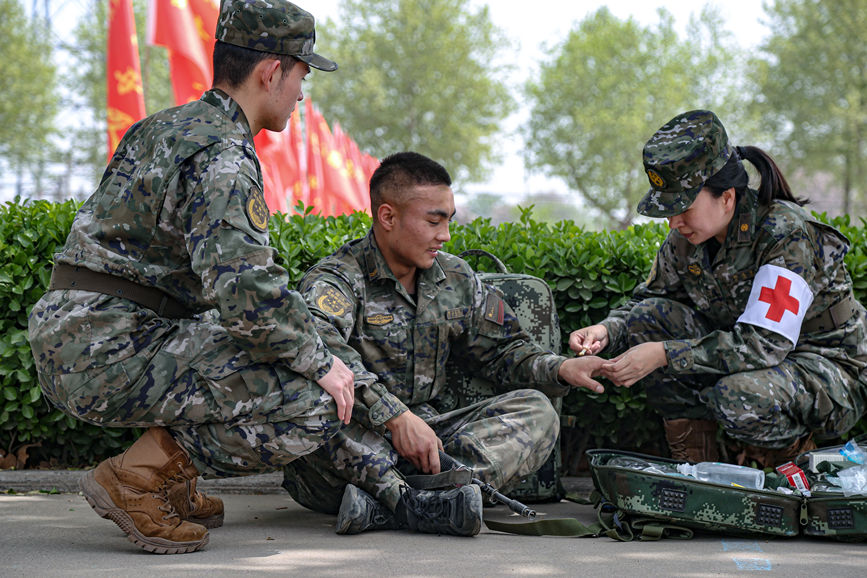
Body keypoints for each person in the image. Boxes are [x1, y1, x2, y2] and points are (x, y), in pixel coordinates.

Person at [25, 0, 448, 556]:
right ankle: (140, 477)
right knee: (314, 400)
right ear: (272, 71)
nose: (302, 93)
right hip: (111, 346)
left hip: (81, 336)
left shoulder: (164, 126)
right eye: (302, 75)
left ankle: (168, 474)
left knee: (280, 349)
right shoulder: (224, 154)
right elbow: (247, 296)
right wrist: (327, 367)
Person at [280, 151, 608, 535]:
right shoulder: (336, 280)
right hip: (354, 448)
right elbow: (322, 352)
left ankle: (398, 503)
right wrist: (395, 417)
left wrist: (562, 367)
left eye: (448, 220)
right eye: (434, 221)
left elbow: (504, 350)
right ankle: (426, 498)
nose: (446, 235)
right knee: (319, 403)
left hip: (431, 439)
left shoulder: (455, 277)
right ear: (388, 217)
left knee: (537, 412)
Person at [570, 109, 867, 468]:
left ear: (726, 197)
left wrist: (665, 354)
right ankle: (698, 465)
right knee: (650, 319)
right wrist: (605, 330)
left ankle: (788, 468)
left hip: (831, 370)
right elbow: (649, 303)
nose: (673, 221)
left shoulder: (784, 234)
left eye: (683, 208)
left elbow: (763, 344)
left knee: (738, 395)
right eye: (668, 209)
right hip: (764, 365)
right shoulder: (687, 239)